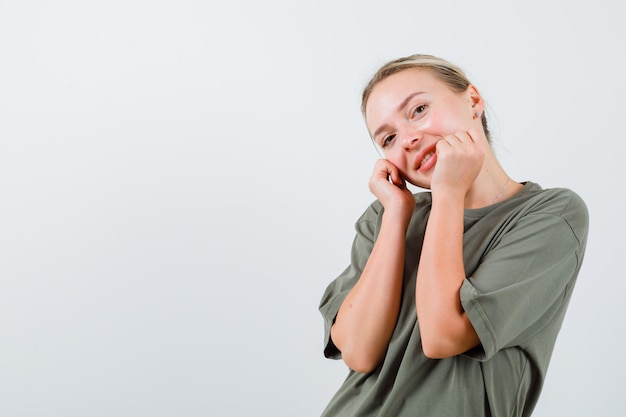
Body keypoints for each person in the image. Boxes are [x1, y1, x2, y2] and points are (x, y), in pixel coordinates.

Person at [318, 54, 589, 417]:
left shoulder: (551, 214)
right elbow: (359, 351)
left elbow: (444, 335)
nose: (409, 139)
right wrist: (396, 216)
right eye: (389, 138)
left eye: (418, 110)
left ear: (474, 101)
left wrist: (449, 193)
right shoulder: (385, 216)